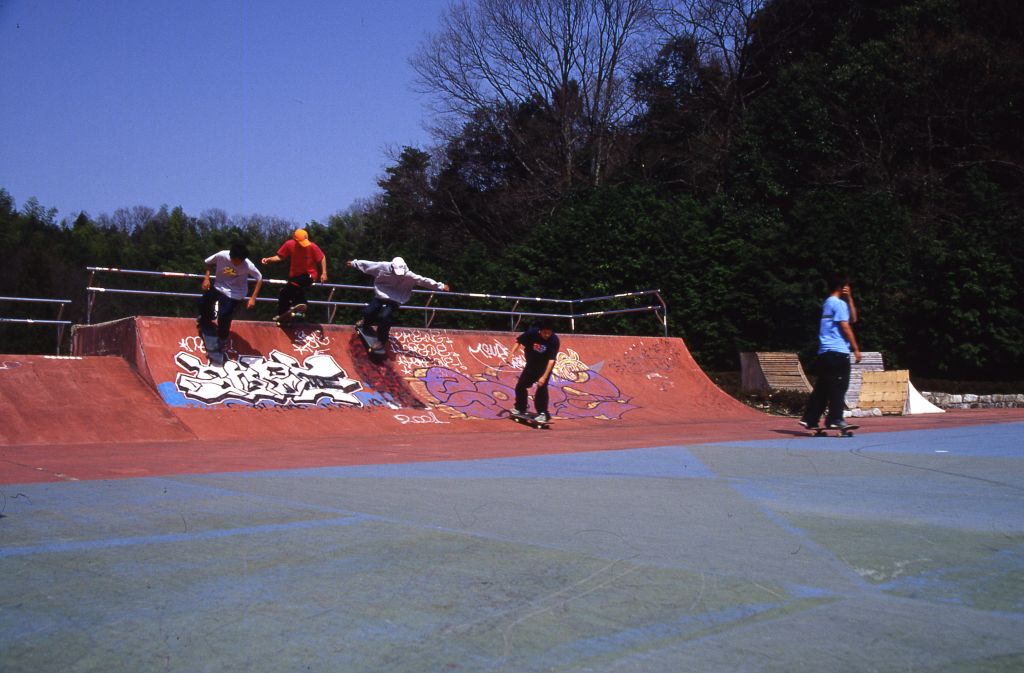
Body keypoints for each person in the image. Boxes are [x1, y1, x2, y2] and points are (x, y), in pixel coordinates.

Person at [799, 273, 862, 431]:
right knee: (839, 386)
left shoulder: (828, 303)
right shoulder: (838, 304)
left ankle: (810, 419)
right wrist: (855, 348)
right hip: (838, 352)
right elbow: (846, 325)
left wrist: (849, 299)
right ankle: (835, 419)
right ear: (843, 287)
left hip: (824, 353)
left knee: (823, 387)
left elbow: (853, 318)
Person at [347, 257, 449, 346]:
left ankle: (381, 340)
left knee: (384, 317)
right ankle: (366, 322)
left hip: (396, 299)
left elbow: (424, 281)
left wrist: (440, 286)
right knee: (368, 311)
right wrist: (354, 263)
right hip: (382, 294)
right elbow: (368, 264)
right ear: (392, 266)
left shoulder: (409, 275)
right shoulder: (382, 266)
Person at [198, 242, 263, 343]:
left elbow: (259, 278)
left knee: (224, 315)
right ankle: (207, 318)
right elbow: (209, 263)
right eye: (236, 261)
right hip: (219, 286)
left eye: (240, 261)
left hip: (236, 292)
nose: (238, 263)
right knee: (203, 301)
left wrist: (253, 298)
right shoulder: (222, 255)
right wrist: (206, 278)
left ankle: (222, 337)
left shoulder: (248, 265)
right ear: (230, 256)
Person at [261, 229, 327, 320]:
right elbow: (280, 257)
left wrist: (324, 273)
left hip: (309, 275)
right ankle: (283, 313)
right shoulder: (289, 244)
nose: (303, 245)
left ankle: (301, 303)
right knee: (284, 292)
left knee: (293, 285)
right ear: (295, 240)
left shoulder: (312, 246)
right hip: (295, 276)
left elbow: (322, 257)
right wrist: (269, 259)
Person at [508, 318, 560, 423]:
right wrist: (511, 354)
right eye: (545, 333)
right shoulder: (531, 333)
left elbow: (551, 360)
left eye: (549, 333)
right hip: (531, 365)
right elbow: (518, 341)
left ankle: (543, 413)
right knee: (521, 386)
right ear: (539, 330)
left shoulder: (554, 340)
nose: (547, 335)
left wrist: (544, 377)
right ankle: (520, 408)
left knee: (541, 387)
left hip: (544, 367)